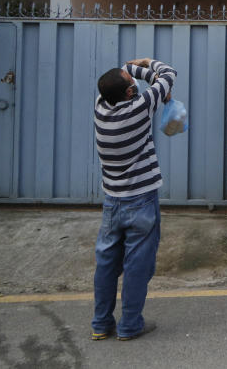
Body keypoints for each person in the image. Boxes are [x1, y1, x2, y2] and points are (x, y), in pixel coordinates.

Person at [91, 57, 176, 342]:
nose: (134, 81)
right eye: (131, 84)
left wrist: (134, 76)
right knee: (138, 266)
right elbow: (168, 73)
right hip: (141, 200)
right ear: (129, 93)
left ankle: (101, 324)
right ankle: (129, 325)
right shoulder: (139, 108)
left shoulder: (101, 106)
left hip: (112, 201)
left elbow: (125, 78)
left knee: (106, 264)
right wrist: (146, 63)